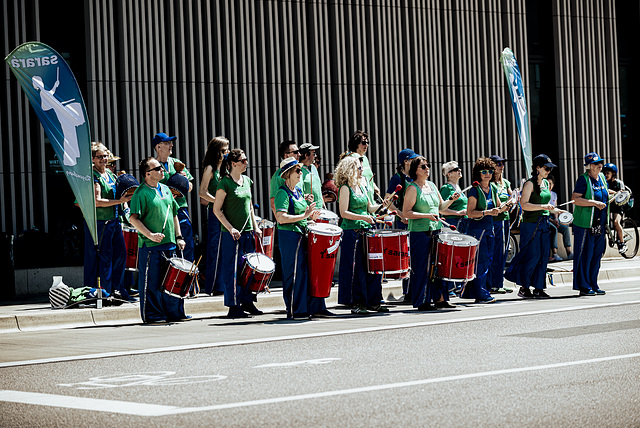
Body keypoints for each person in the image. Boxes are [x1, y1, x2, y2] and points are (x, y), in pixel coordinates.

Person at [129, 157, 188, 323]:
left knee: (171, 282)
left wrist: (179, 237)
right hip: (151, 245)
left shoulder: (166, 189)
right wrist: (150, 235)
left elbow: (174, 214)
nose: (162, 170)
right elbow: (133, 219)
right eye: (158, 168)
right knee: (151, 283)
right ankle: (153, 315)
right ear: (148, 174)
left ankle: (174, 313)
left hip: (169, 243)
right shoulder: (141, 193)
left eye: (162, 167)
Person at [403, 156, 460, 310]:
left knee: (438, 266)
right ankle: (422, 301)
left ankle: (440, 299)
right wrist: (426, 215)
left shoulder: (432, 186)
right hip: (419, 232)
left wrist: (451, 200)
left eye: (428, 166)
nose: (427, 168)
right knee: (422, 268)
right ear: (416, 170)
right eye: (423, 167)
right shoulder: (412, 188)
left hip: (435, 230)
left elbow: (440, 207)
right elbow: (406, 213)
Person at [213, 149, 263, 318]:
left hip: (248, 231)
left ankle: (248, 302)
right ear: (233, 164)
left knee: (249, 269)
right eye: (243, 160)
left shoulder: (247, 181)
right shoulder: (225, 183)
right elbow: (217, 210)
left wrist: (255, 226)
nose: (246, 163)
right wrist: (230, 228)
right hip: (231, 234)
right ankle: (233, 305)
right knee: (232, 270)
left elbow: (249, 207)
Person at [505, 154, 563, 299]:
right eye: (546, 168)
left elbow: (544, 205)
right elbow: (523, 205)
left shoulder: (545, 183)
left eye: (550, 169)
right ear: (537, 168)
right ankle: (524, 287)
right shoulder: (529, 183)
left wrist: (554, 210)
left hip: (544, 222)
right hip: (531, 224)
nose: (549, 171)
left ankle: (539, 287)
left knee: (543, 256)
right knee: (532, 256)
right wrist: (543, 206)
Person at [335, 156, 387, 314]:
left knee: (373, 267)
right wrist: (363, 217)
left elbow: (369, 207)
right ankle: (358, 303)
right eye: (358, 168)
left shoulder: (362, 186)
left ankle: (373, 301)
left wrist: (382, 207)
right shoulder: (345, 188)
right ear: (349, 169)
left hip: (367, 231)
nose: (361, 170)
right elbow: (343, 213)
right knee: (357, 270)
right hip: (353, 232)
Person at [274, 157, 324, 319]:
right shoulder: (282, 192)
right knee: (293, 273)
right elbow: (281, 218)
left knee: (303, 272)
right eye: (297, 170)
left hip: (301, 234)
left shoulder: (299, 192)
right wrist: (305, 214)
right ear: (288, 174)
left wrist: (310, 217)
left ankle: (304, 308)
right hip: (289, 236)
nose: (300, 172)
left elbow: (303, 216)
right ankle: (295, 309)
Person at [84, 142, 132, 300]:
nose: (104, 159)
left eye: (105, 156)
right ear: (92, 159)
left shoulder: (110, 174)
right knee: (105, 258)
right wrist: (119, 201)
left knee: (120, 255)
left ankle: (118, 290)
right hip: (101, 222)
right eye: (100, 157)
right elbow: (97, 201)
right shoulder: (93, 175)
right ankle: (105, 292)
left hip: (115, 221)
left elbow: (121, 194)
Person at [461, 158, 506, 304]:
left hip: (489, 228)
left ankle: (481, 291)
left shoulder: (492, 188)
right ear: (478, 174)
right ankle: (481, 293)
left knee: (488, 260)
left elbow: (499, 208)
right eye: (484, 172)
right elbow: (470, 213)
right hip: (477, 230)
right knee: (480, 262)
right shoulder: (475, 190)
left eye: (490, 171)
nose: (488, 174)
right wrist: (487, 212)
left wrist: (510, 203)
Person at [153, 132, 195, 261]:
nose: (171, 145)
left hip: (180, 208)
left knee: (187, 244)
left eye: (171, 143)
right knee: (168, 245)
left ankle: (188, 277)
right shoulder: (152, 165)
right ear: (158, 147)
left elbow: (190, 187)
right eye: (167, 143)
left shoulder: (177, 163)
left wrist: (184, 181)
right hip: (162, 210)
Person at [571, 152, 609, 296]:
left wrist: (617, 194)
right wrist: (594, 203)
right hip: (585, 224)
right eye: (596, 164)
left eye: (600, 162)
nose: (600, 165)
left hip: (600, 224)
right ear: (589, 166)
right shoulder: (583, 180)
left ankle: (593, 283)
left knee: (596, 256)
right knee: (586, 255)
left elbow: (604, 194)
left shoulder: (602, 178)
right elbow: (575, 199)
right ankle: (584, 286)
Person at [199, 136, 230, 295]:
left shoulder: (225, 168)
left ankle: (223, 284)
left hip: (226, 212)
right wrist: (217, 201)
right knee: (214, 248)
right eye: (225, 150)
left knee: (226, 248)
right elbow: (202, 192)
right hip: (214, 213)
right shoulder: (210, 168)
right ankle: (213, 286)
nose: (228, 152)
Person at [439, 160, 469, 297]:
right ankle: (450, 286)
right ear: (449, 174)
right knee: (451, 254)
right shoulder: (446, 189)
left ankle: (456, 284)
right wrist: (457, 213)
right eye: (456, 169)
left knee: (458, 254)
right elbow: (442, 209)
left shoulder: (458, 188)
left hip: (461, 223)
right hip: (451, 224)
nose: (460, 170)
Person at [488, 155, 514, 293]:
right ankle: (493, 283)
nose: (501, 166)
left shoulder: (505, 182)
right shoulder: (490, 183)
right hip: (495, 219)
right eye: (498, 164)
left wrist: (513, 200)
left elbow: (511, 196)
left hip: (506, 217)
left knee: (504, 252)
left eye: (502, 163)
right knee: (496, 251)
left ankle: (499, 282)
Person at [341, 130, 380, 205]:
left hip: (369, 198)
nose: (366, 145)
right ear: (356, 144)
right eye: (364, 143)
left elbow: (367, 177)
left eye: (367, 143)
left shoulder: (365, 159)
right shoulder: (351, 159)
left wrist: (374, 187)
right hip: (359, 200)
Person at [270, 140, 303, 216]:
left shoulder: (299, 172)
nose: (299, 154)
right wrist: (282, 221)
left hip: (301, 222)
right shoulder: (278, 177)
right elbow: (273, 204)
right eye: (295, 152)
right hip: (289, 224)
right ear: (286, 156)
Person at [603, 163, 628, 254]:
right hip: (608, 206)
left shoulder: (619, 183)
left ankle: (622, 243)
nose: (605, 175)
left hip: (618, 206)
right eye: (604, 173)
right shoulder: (604, 183)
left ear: (613, 173)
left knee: (616, 222)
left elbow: (622, 193)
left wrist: (615, 193)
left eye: (607, 173)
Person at [548, 175, 573, 261]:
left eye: (551, 184)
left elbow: (555, 209)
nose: (549, 186)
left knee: (565, 228)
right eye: (547, 184)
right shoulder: (543, 195)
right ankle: (554, 253)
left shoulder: (554, 195)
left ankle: (569, 252)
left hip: (554, 217)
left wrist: (556, 219)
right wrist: (552, 220)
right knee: (554, 229)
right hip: (546, 218)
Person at [299, 143, 324, 207]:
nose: (315, 156)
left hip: (319, 209)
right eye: (313, 154)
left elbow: (318, 188)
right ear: (306, 155)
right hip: (308, 211)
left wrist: (323, 205)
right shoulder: (298, 170)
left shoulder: (313, 167)